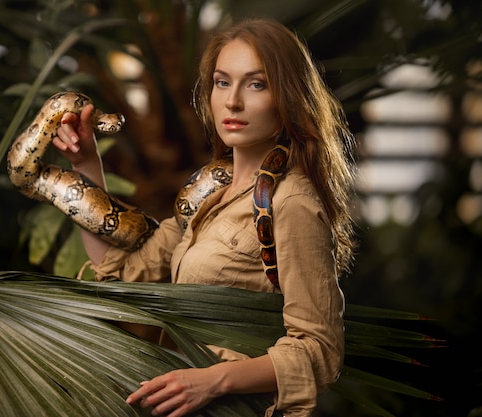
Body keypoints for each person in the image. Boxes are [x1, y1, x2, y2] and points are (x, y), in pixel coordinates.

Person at [52, 17, 356, 417]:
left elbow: (319, 350)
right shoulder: (210, 189)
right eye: (222, 81)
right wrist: (87, 165)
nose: (233, 101)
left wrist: (214, 379)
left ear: (287, 98)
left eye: (257, 83)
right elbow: (123, 275)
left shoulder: (292, 201)